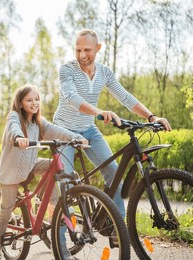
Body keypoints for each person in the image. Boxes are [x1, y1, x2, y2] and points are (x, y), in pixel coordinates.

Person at [53, 29, 172, 219]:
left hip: (88, 130)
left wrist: (151, 117)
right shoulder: (67, 70)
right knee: (65, 185)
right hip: (63, 131)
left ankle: (117, 230)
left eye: (87, 50)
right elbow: (70, 98)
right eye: (78, 50)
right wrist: (98, 111)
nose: (82, 55)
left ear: (98, 48)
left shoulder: (105, 73)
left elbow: (125, 97)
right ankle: (61, 244)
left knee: (114, 172)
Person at [0, 84, 88, 260]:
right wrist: (19, 137)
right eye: (29, 100)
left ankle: (53, 204)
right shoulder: (15, 116)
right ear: (20, 103)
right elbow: (13, 127)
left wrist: (76, 138)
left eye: (37, 99)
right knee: (6, 209)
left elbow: (55, 130)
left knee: (59, 166)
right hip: (10, 173)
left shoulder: (38, 122)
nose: (34, 103)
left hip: (30, 164)